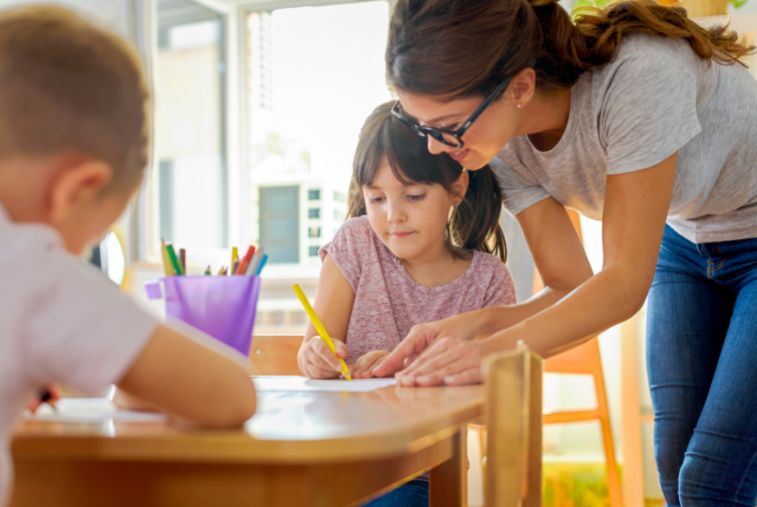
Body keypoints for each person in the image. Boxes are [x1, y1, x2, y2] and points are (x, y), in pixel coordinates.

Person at [371, 0, 757, 504]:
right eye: (424, 127)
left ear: (520, 87)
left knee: (710, 480)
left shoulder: (640, 75)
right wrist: (478, 326)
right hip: (686, 239)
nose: (437, 150)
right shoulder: (503, 142)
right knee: (674, 461)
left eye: (449, 126)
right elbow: (571, 284)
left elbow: (622, 283)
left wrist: (491, 353)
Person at [0, 7, 256, 506]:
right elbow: (229, 394)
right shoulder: (31, 266)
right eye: (93, 237)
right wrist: (136, 373)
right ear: (77, 188)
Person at [297, 102, 516, 506]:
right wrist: (317, 357)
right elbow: (314, 358)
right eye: (376, 199)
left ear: (457, 188)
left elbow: (495, 409)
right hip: (333, 459)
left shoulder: (488, 282)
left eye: (413, 195)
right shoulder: (355, 243)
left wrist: (401, 374)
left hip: (422, 471)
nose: (393, 216)